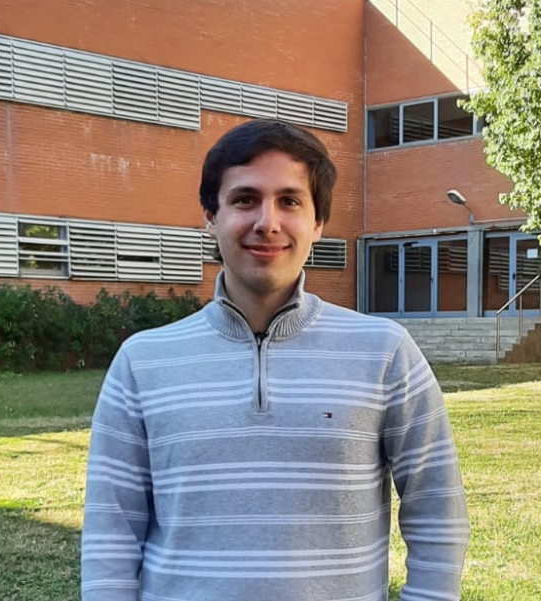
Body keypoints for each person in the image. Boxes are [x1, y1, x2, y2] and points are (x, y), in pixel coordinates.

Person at [81, 119, 469, 601]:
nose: (267, 222)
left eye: (289, 201)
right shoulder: (142, 364)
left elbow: (436, 512)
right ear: (210, 216)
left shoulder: (385, 353)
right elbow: (111, 534)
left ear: (318, 222)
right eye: (245, 199)